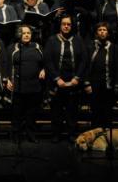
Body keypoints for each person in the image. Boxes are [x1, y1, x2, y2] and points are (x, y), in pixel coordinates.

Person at [44, 14, 88, 143]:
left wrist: (77, 78)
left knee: (72, 110)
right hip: (57, 82)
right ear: (60, 25)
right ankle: (56, 134)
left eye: (69, 24)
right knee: (56, 111)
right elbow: (48, 61)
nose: (66, 26)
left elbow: (84, 61)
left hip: (74, 82)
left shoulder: (78, 40)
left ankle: (71, 134)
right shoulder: (52, 40)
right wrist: (57, 79)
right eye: (64, 24)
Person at [6, 24, 45, 143]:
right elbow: (7, 64)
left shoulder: (38, 46)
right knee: (17, 114)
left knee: (31, 113)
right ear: (19, 35)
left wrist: (44, 69)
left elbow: (45, 62)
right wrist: (7, 79)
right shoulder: (13, 47)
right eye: (23, 33)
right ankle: (16, 135)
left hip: (34, 86)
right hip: (18, 86)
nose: (26, 35)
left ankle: (31, 134)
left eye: (28, 33)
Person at [84, 22, 118, 129]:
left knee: (107, 114)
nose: (102, 32)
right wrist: (87, 84)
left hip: (108, 87)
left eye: (104, 30)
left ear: (108, 33)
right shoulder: (90, 47)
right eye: (100, 30)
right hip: (94, 87)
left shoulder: (114, 48)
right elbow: (85, 66)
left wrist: (117, 85)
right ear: (96, 33)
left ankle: (107, 140)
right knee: (95, 114)